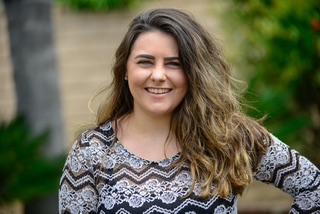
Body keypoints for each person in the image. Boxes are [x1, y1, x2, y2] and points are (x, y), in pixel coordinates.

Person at [59, 8, 320, 213]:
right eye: (145, 62)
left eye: (174, 63)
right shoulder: (92, 152)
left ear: (194, 73)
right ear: (125, 71)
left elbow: (313, 188)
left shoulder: (229, 136)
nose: (158, 75)